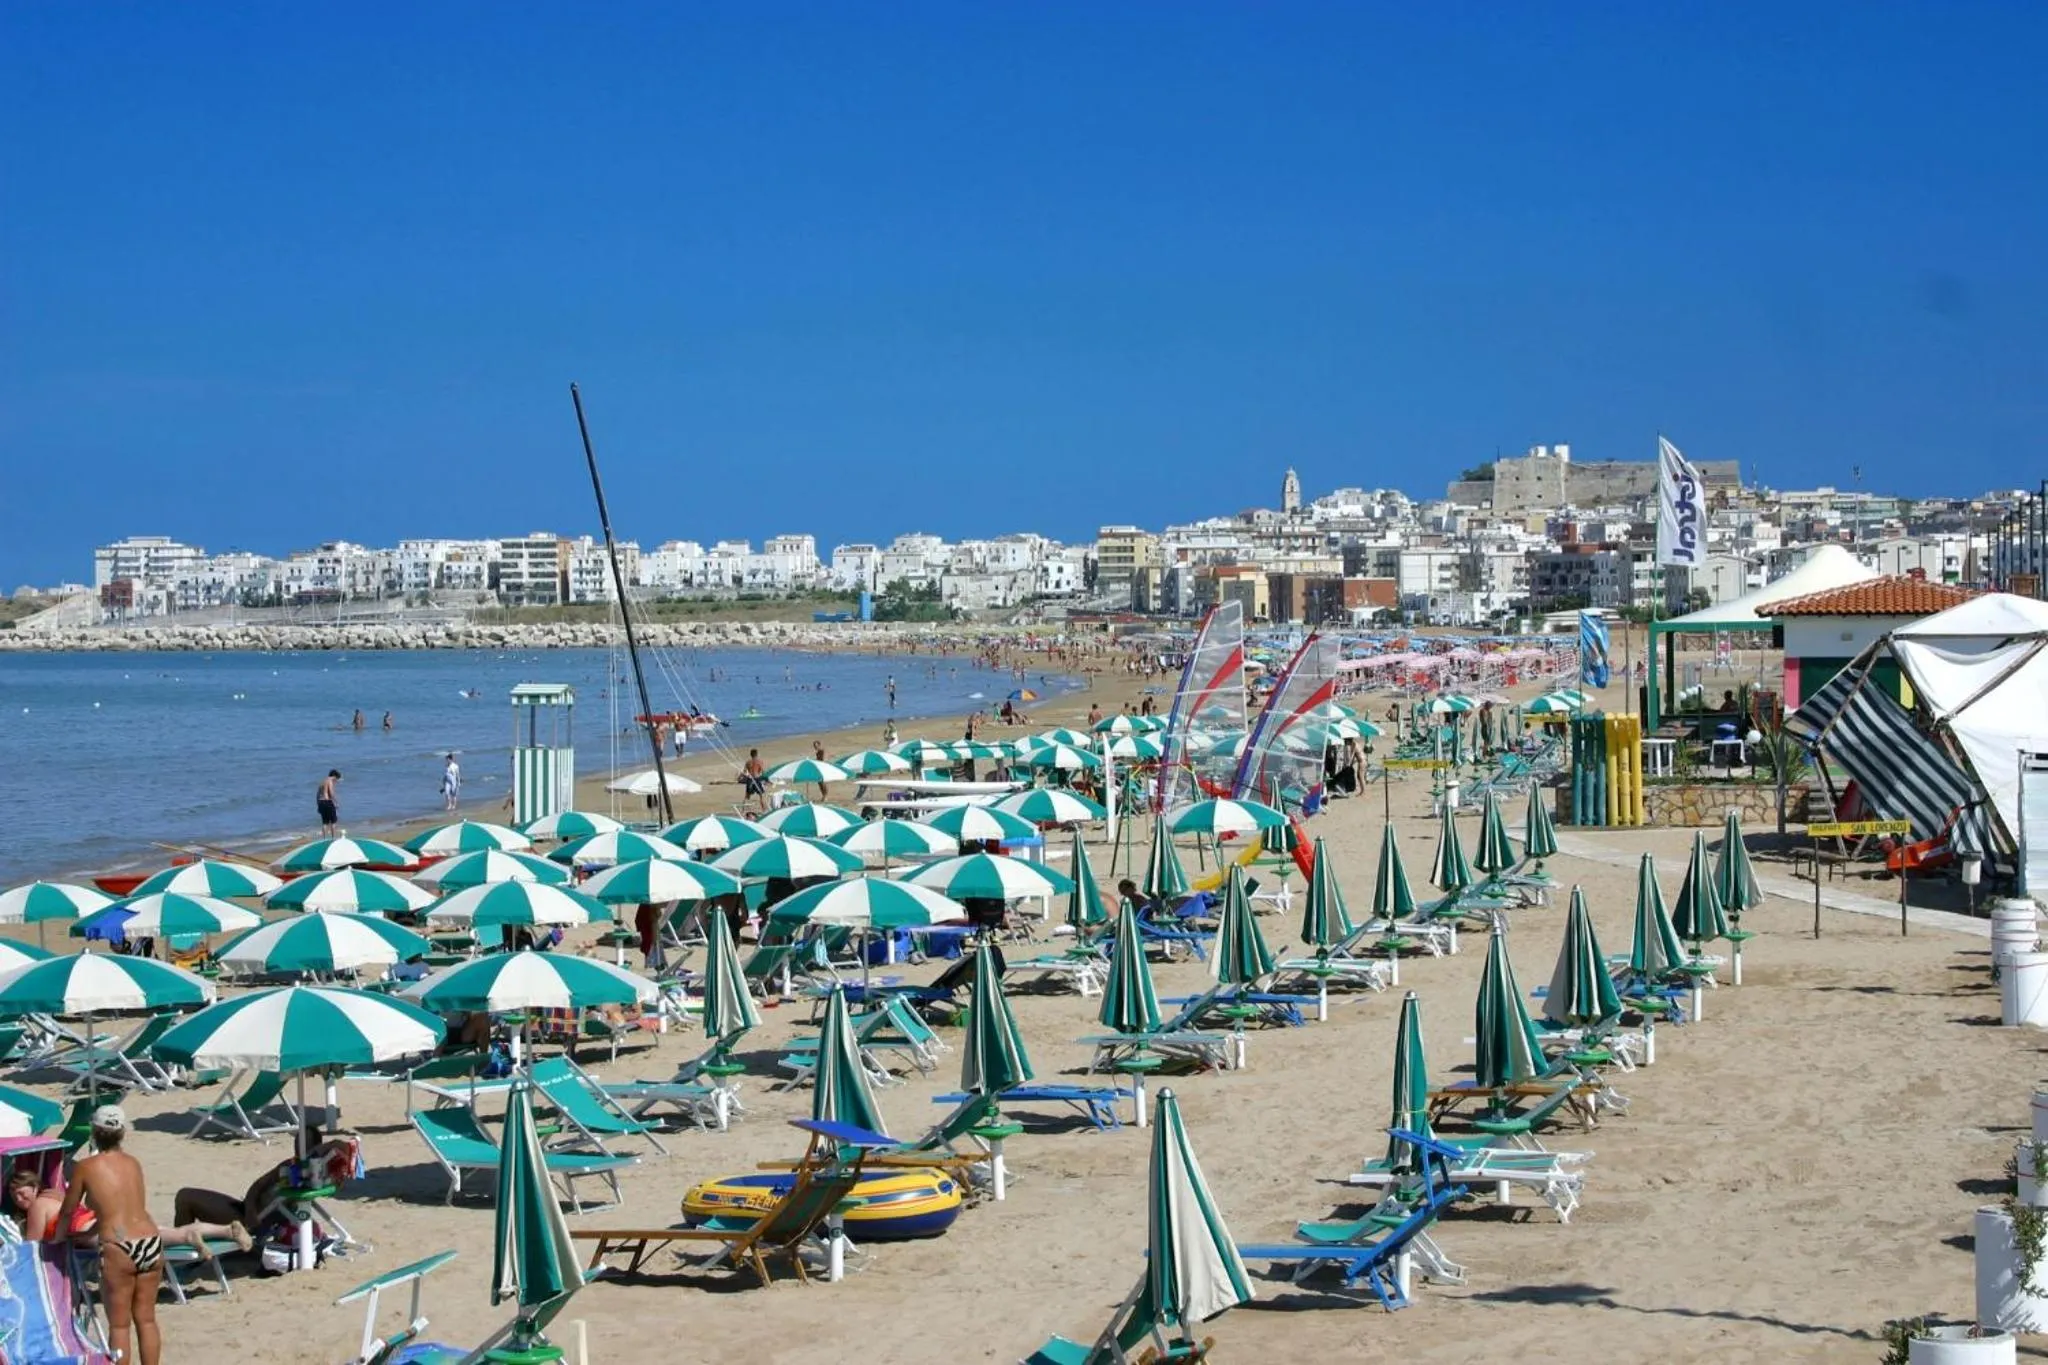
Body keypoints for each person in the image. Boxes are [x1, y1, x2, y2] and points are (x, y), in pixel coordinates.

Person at [54, 1107, 165, 1365]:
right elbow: (127, 1207)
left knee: (119, 1326)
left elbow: (68, 1211)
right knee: (147, 1319)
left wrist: (58, 1240)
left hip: (119, 1246)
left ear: (94, 1131)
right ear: (122, 1132)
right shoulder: (133, 1163)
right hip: (150, 1239)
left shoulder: (86, 1167)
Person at [740, 749, 767, 815]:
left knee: (747, 796)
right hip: (757, 779)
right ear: (757, 754)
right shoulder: (759, 761)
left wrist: (740, 778)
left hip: (750, 779)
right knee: (761, 796)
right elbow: (763, 771)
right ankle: (764, 811)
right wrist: (765, 779)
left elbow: (744, 772)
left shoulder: (748, 762)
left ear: (751, 755)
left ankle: (742, 811)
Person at [317, 769, 341, 836]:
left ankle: (324, 839)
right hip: (327, 802)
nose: (335, 781)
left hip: (321, 802)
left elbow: (318, 795)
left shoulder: (322, 782)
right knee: (333, 822)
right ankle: (333, 839)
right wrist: (336, 802)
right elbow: (331, 793)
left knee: (325, 822)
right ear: (334, 776)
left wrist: (318, 805)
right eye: (336, 779)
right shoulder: (329, 780)